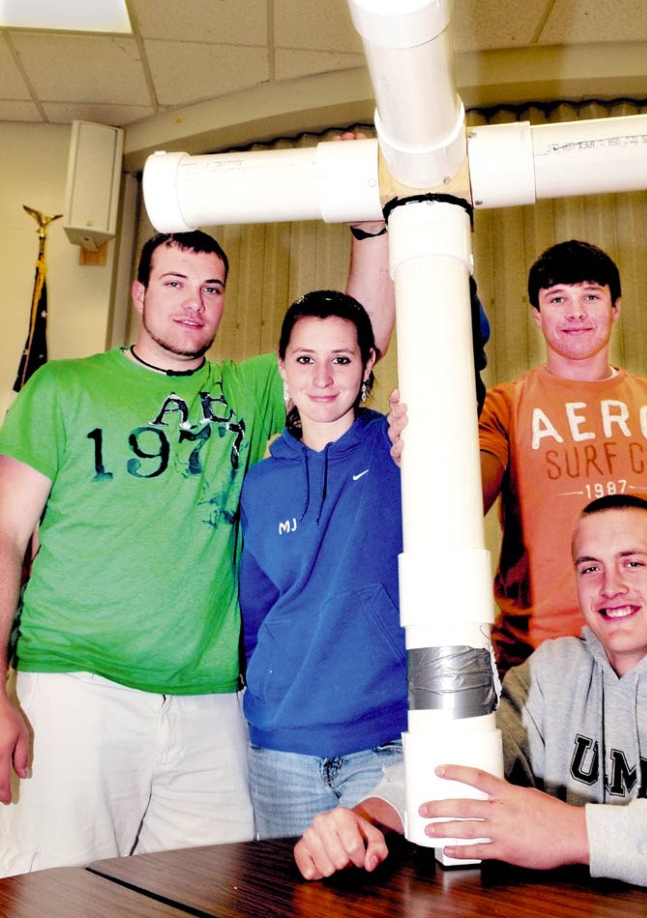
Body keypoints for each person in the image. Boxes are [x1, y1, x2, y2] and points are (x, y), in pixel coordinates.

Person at [0, 222, 393, 876]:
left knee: (209, 893)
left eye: (212, 288)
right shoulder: (63, 388)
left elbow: (353, 337)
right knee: (54, 893)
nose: (194, 302)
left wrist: (369, 229)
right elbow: (6, 536)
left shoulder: (248, 390)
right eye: (176, 283)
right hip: (78, 688)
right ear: (138, 291)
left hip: (212, 705)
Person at [292, 495, 647, 891]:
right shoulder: (551, 674)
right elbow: (460, 767)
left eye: (633, 562)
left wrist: (575, 833)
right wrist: (362, 821)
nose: (610, 586)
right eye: (590, 568)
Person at [392, 239, 647, 671]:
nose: (576, 312)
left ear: (616, 307)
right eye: (558, 298)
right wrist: (430, 442)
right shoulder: (506, 405)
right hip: (541, 658)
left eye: (591, 296)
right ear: (537, 316)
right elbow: (465, 498)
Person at [239, 290, 405, 838]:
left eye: (342, 359)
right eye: (305, 360)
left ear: (368, 365)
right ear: (283, 366)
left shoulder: (401, 450)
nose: (323, 378)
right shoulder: (261, 482)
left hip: (382, 744)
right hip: (280, 748)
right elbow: (257, 613)